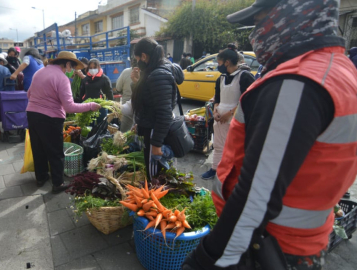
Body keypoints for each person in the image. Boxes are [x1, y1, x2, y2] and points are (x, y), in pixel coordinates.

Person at [183, 1, 357, 269]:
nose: (256, 34)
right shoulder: (339, 69)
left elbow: (256, 198)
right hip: (301, 242)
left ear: (294, 16)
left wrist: (207, 258)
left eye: (263, 21)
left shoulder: (296, 83)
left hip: (266, 246)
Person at [26, 51, 101, 193]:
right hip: (50, 119)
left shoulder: (40, 72)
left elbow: (29, 94)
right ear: (66, 63)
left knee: (38, 148)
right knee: (55, 152)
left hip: (32, 114)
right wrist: (90, 106)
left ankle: (41, 178)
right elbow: (70, 107)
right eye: (71, 66)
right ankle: (58, 183)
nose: (71, 69)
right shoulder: (62, 78)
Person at [131, 37, 184, 180]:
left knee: (155, 177)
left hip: (155, 131)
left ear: (144, 56)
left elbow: (164, 113)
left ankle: (155, 201)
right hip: (151, 126)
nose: (137, 63)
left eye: (137, 59)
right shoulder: (154, 69)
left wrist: (156, 144)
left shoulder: (158, 75)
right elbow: (149, 102)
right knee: (160, 175)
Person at [200, 44, 255, 180]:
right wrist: (216, 111)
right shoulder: (221, 78)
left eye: (219, 63)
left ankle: (233, 173)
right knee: (218, 145)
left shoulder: (245, 77)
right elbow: (217, 98)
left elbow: (247, 100)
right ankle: (215, 169)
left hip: (236, 119)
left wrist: (229, 113)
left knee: (235, 148)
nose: (218, 66)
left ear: (227, 62)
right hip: (220, 119)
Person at [80, 58, 113, 124]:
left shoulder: (104, 79)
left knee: (101, 124)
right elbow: (81, 93)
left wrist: (111, 108)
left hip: (101, 107)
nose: (92, 69)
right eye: (91, 68)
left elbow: (109, 93)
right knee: (89, 126)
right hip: (88, 107)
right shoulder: (85, 79)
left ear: (99, 67)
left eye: (94, 67)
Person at [116, 58, 137, 132]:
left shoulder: (126, 72)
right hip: (140, 112)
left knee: (124, 134)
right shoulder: (147, 73)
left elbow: (118, 88)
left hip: (126, 110)